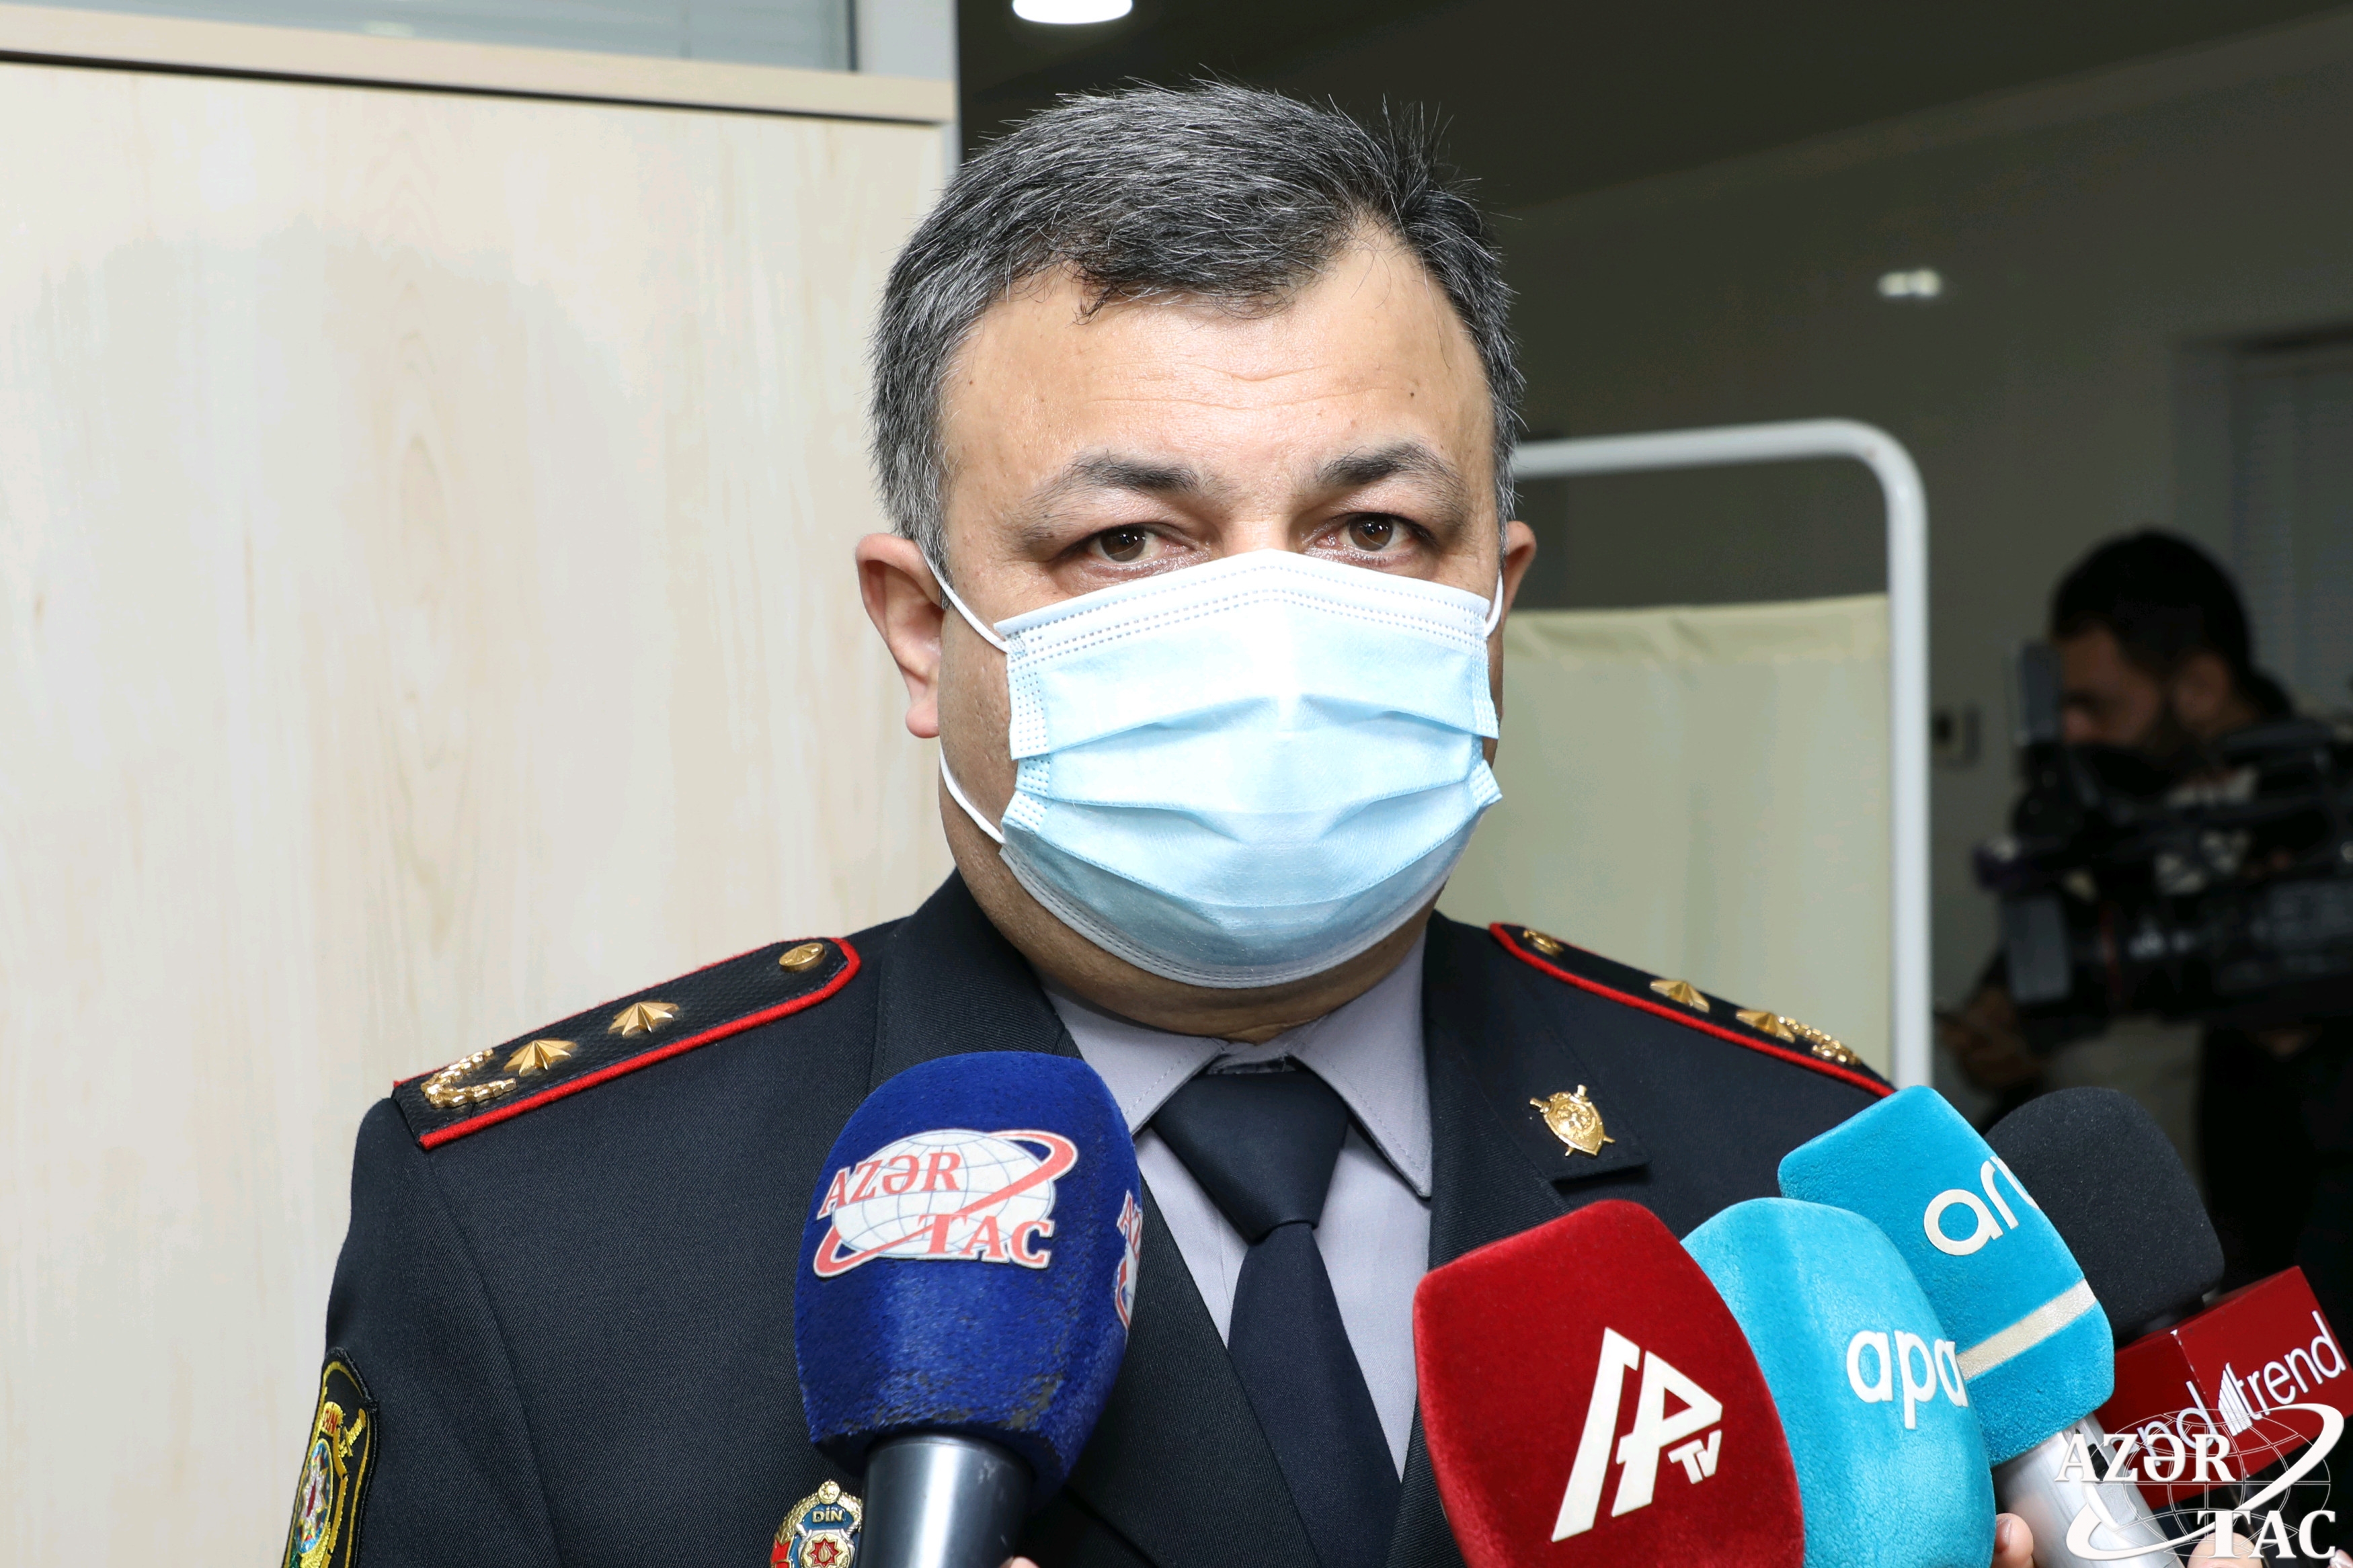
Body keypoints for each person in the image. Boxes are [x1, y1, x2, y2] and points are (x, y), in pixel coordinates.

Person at [288, 85, 2057, 1568]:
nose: (1270, 635)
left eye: (1371, 529)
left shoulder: (1797, 1176)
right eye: (1127, 541)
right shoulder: (543, 1227)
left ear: (1493, 608)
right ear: (918, 629)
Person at [1942, 530, 2350, 1333]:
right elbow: (2058, 954)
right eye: (2063, 705)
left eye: (2096, 704)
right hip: (2108, 1255)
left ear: (2196, 686)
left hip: (2289, 1240)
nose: (2072, 729)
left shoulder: (2323, 804)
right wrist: (2006, 1024)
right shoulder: (2101, 799)